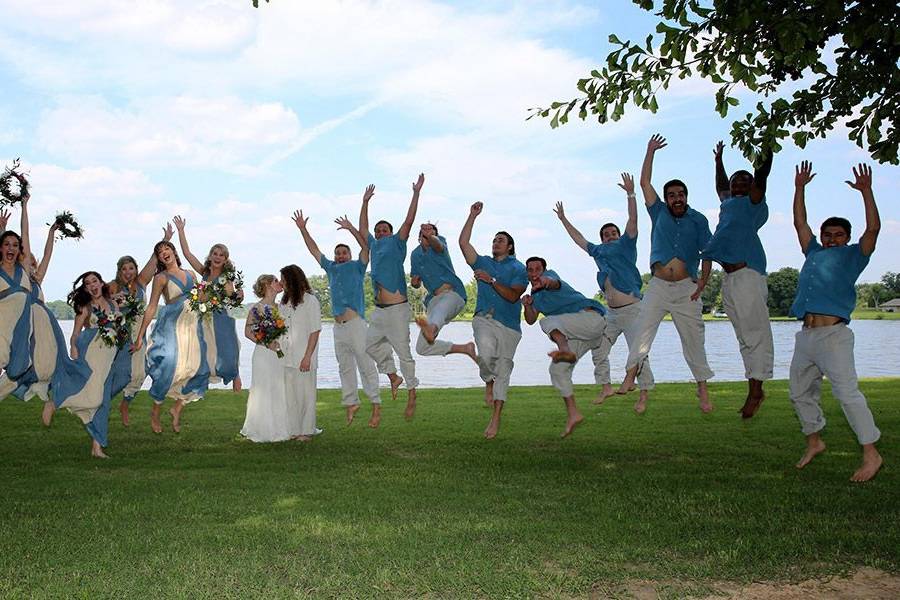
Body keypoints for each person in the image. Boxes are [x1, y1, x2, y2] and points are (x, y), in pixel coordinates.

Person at [789, 161, 882, 483]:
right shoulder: (812, 252)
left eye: (837, 235)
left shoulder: (855, 255)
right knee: (799, 392)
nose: (831, 240)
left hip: (834, 336)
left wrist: (866, 192)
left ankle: (872, 453)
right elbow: (799, 222)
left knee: (847, 394)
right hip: (806, 335)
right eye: (827, 235)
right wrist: (799, 187)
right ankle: (815, 441)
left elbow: (873, 230)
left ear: (847, 238)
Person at [618, 135, 714, 412]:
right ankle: (629, 375)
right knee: (642, 330)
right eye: (671, 195)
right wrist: (650, 151)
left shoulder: (699, 219)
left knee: (693, 338)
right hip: (659, 286)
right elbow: (645, 183)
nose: (676, 198)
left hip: (686, 288)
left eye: (680, 194)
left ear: (686, 196)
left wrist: (702, 286)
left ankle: (702, 389)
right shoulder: (658, 212)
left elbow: (707, 255)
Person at [555, 172, 655, 413]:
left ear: (619, 236)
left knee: (639, 353)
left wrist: (631, 194)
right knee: (599, 349)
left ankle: (643, 394)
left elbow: (633, 220)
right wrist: (563, 219)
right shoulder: (598, 252)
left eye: (613, 233)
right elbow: (579, 239)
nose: (610, 236)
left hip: (632, 310)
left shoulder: (626, 245)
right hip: (611, 314)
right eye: (605, 234)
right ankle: (605, 386)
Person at [702, 141, 774, 418]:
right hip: (730, 279)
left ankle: (756, 390)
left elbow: (763, 175)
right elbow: (721, 185)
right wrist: (719, 160)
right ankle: (753, 385)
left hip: (747, 274)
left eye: (746, 180)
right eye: (736, 181)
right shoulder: (729, 203)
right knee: (744, 336)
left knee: (756, 334)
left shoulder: (752, 204)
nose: (740, 184)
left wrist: (767, 147)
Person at [293, 209, 382, 427]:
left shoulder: (358, 267)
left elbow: (365, 248)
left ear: (349, 255)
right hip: (338, 327)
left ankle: (376, 406)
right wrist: (303, 229)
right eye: (338, 253)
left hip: (356, 325)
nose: (340, 255)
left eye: (344, 252)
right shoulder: (331, 268)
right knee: (345, 367)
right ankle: (351, 402)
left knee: (365, 365)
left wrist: (351, 228)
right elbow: (314, 250)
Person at [459, 201, 527, 439]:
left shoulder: (520, 268)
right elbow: (464, 244)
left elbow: (513, 295)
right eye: (494, 239)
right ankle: (488, 379)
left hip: (510, 326)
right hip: (484, 319)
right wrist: (472, 216)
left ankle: (496, 418)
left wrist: (491, 281)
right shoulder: (483, 262)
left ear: (510, 247)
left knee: (504, 369)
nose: (495, 242)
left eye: (500, 240)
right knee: (486, 355)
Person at [355, 178, 421, 419]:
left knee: (404, 352)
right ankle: (393, 376)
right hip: (379, 310)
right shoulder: (372, 245)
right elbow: (363, 228)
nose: (380, 232)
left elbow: (409, 220)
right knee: (369, 345)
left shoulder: (397, 243)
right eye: (378, 230)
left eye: (385, 230)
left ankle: (412, 393)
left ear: (391, 233)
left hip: (396, 309)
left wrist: (416, 193)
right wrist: (364, 203)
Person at [132, 235, 211, 434]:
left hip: (191, 327)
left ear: (174, 252)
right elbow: (151, 307)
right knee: (167, 367)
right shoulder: (161, 278)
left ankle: (177, 408)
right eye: (159, 252)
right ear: (159, 259)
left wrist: (210, 293)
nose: (164, 253)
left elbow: (201, 297)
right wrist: (141, 335)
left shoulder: (191, 274)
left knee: (199, 369)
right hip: (170, 326)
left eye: (166, 249)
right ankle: (156, 411)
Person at [45, 272, 127, 458]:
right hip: (92, 354)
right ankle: (55, 401)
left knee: (104, 403)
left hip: (108, 358)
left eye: (94, 281)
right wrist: (73, 346)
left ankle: (97, 448)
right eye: (88, 283)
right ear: (86, 289)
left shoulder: (113, 304)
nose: (92, 285)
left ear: (101, 283)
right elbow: (75, 333)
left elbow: (119, 328)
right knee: (95, 398)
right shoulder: (85, 307)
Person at [522, 258, 606, 437]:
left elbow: (553, 283)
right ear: (527, 274)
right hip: (581, 335)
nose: (535, 273)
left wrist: (545, 281)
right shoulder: (536, 296)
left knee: (548, 321)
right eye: (530, 270)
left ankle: (564, 349)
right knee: (557, 371)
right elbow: (530, 320)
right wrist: (527, 305)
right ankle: (573, 414)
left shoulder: (551, 278)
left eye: (538, 269)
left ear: (545, 271)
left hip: (591, 319)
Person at [173, 216, 242, 392]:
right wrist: (181, 231)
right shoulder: (204, 272)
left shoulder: (226, 277)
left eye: (222, 255)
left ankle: (235, 375)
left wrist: (238, 296)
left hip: (219, 316)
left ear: (226, 260)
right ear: (210, 256)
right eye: (215, 253)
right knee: (201, 352)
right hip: (201, 316)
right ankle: (190, 381)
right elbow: (188, 254)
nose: (218, 257)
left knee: (229, 347)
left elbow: (232, 297)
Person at [108, 240, 171, 426]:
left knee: (141, 373)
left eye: (131, 268)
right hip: (121, 335)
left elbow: (153, 262)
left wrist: (166, 239)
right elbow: (101, 304)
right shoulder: (112, 286)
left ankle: (125, 404)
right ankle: (102, 401)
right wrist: (114, 301)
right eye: (124, 269)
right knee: (122, 373)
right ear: (119, 271)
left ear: (136, 269)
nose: (128, 272)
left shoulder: (141, 282)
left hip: (139, 334)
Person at [410, 222, 477, 362]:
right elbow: (416, 282)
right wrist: (415, 284)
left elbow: (438, 245)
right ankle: (465, 348)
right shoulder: (415, 255)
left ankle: (432, 329)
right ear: (419, 237)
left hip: (452, 295)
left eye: (432, 233)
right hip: (433, 300)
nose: (428, 236)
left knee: (440, 311)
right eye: (425, 234)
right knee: (422, 348)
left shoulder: (439, 244)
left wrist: (431, 236)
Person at [240, 274, 293, 442]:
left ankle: (282, 428)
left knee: (280, 388)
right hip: (263, 354)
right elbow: (248, 332)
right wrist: (266, 343)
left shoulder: (281, 307)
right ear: (269, 285)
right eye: (276, 281)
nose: (280, 283)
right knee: (263, 388)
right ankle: (263, 429)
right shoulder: (257, 308)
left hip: (280, 354)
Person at [279, 264, 322, 440]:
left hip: (304, 355)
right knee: (290, 396)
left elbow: (315, 330)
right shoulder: (285, 302)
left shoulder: (310, 301)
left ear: (292, 279)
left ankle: (306, 430)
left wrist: (307, 357)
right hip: (287, 355)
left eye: (283, 279)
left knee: (306, 395)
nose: (281, 283)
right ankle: (293, 430)